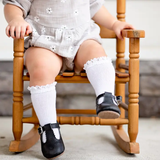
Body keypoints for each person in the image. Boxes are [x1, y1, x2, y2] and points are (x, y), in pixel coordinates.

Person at [3, 0, 134, 159]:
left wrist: (114, 23)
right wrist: (16, 19)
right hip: (43, 41)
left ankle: (105, 97)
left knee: (96, 52)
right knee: (40, 69)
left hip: (81, 39)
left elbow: (94, 7)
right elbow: (15, 3)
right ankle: (49, 129)